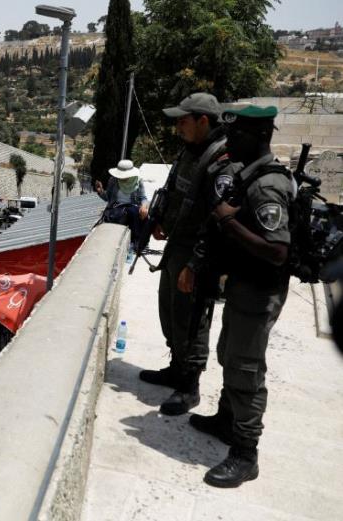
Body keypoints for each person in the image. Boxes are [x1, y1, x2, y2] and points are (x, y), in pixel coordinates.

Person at [186, 105, 293, 488]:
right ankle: (226, 421)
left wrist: (228, 220)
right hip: (243, 286)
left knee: (246, 370)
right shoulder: (252, 176)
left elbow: (277, 249)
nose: (229, 143)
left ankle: (246, 454)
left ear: (258, 136)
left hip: (258, 290)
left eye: (236, 136)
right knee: (228, 354)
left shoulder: (266, 186)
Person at [139, 93, 227, 416]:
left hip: (196, 253)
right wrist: (161, 219)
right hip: (177, 244)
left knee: (192, 317)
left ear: (203, 121)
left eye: (183, 120)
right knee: (171, 310)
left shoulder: (220, 159)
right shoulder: (190, 151)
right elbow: (177, 192)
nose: (178, 126)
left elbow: (217, 216)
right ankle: (175, 367)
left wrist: (195, 262)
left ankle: (189, 385)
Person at [94, 159, 149, 249]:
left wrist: (144, 206)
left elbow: (143, 198)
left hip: (133, 207)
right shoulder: (113, 180)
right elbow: (108, 197)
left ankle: (136, 241)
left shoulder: (138, 181)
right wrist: (100, 191)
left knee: (134, 213)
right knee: (119, 215)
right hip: (116, 207)